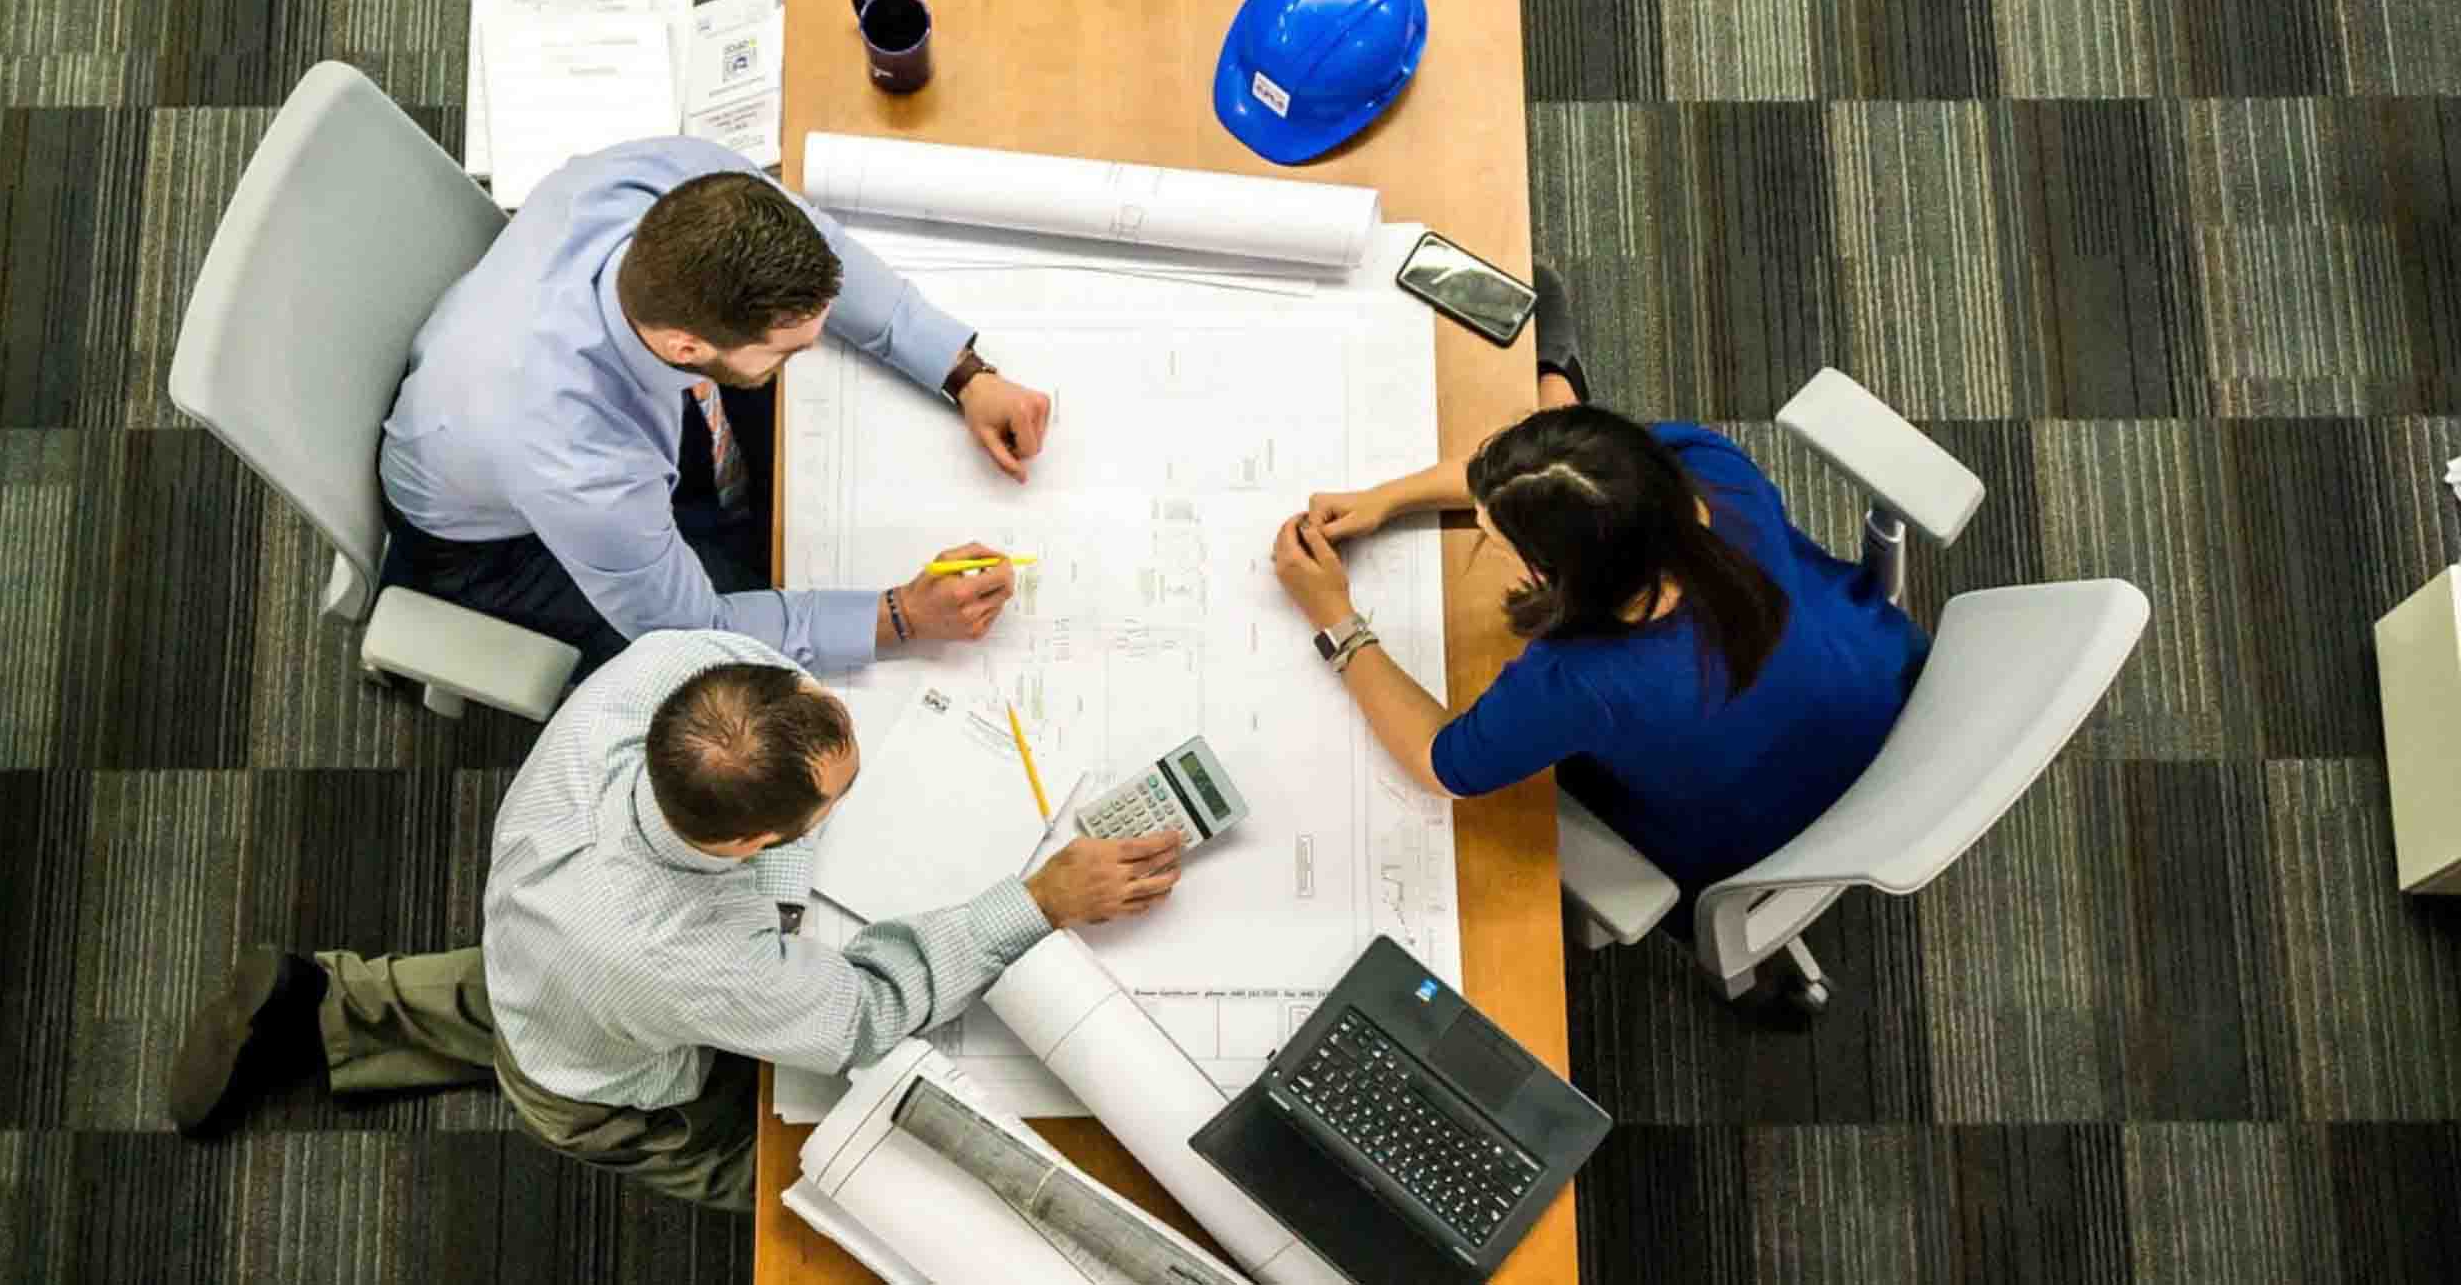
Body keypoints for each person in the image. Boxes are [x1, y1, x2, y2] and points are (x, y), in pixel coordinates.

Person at [165, 630, 1185, 1211]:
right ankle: (343, 1018)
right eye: (834, 799)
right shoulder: (688, 957)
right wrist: (1038, 899)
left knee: (536, 989)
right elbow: (865, 1014)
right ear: (749, 845)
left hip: (543, 937)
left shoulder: (669, 672)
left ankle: (326, 1004)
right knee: (807, 1172)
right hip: (605, 1076)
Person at [1265, 270, 1926, 920]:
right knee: (1541, 309)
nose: (1483, 532)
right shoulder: (1710, 469)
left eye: (1496, 536)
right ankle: (1558, 371)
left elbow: (1442, 764)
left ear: (1556, 576)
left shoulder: (1580, 682)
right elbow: (1588, 474)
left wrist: (1335, 617)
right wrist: (1387, 500)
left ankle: (1557, 370)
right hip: (1887, 686)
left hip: (1762, 833)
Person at [381, 137, 1059, 678]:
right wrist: (901, 616)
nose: (811, 348)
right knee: (744, 661)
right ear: (686, 345)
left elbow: (829, 256)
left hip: (503, 387)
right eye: (788, 349)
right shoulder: (580, 461)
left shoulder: (679, 181)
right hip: (495, 544)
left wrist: (962, 371)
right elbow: (690, 628)